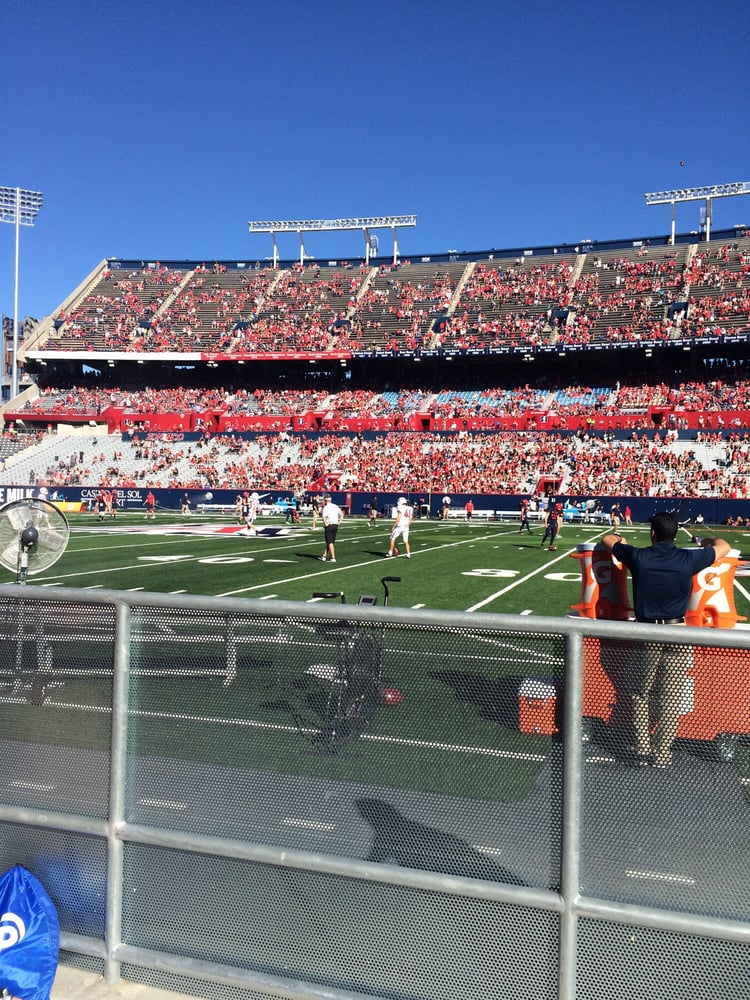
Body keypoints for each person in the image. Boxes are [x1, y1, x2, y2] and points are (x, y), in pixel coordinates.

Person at [600, 512, 731, 769]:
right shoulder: (687, 558)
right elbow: (724, 546)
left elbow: (607, 540)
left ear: (652, 533)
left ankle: (642, 750)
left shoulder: (639, 557)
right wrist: (703, 539)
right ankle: (662, 754)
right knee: (670, 696)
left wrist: (620, 538)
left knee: (640, 693)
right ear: (674, 535)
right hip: (678, 633)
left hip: (648, 633)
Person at [319, 495, 344, 563]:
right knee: (330, 541)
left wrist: (325, 524)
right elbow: (342, 514)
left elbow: (323, 517)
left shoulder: (326, 508)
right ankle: (324, 555)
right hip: (335, 525)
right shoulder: (335, 506)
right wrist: (339, 522)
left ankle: (333, 557)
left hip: (329, 525)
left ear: (325, 500)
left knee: (330, 542)